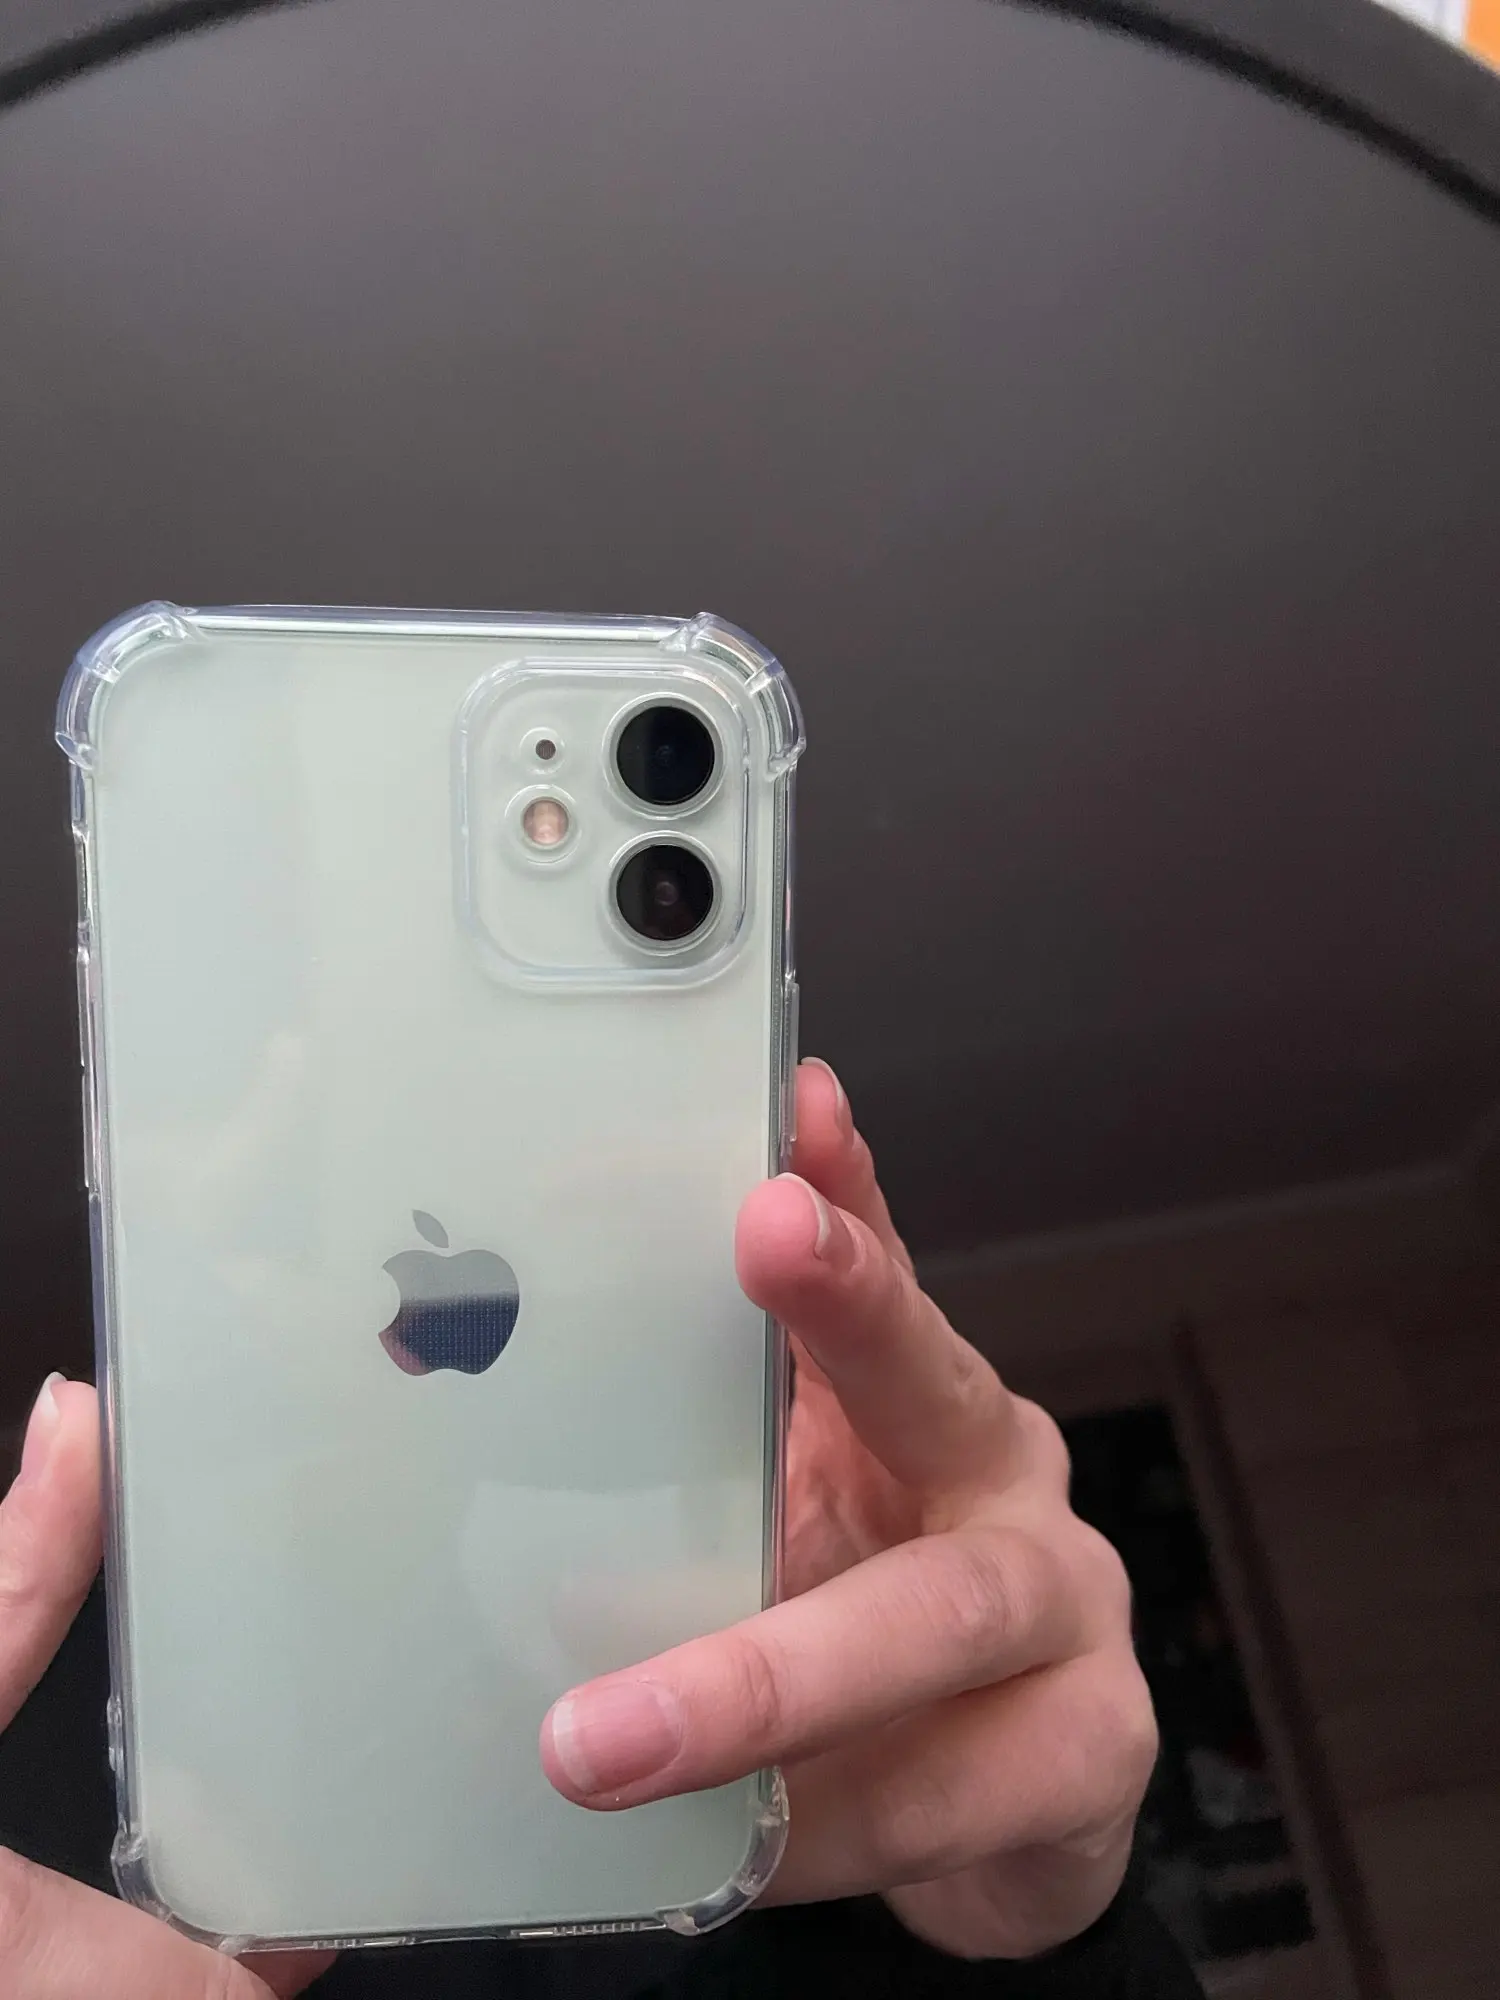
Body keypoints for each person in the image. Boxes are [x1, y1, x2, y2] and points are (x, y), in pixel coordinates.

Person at [0, 1061, 1202, 1997]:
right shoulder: (95, 1695)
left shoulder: (729, 1778)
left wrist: (1018, 1949)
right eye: (293, 1206)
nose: (427, 1317)